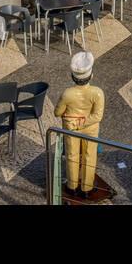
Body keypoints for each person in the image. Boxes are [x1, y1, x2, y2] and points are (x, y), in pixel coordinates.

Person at [54, 52, 111, 202]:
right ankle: (86, 188)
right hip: (90, 129)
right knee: (90, 156)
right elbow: (97, 116)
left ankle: (71, 186)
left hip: (70, 128)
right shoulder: (97, 93)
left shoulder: (67, 93)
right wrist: (83, 122)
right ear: (91, 76)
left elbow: (57, 112)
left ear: (72, 76)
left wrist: (74, 122)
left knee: (72, 156)